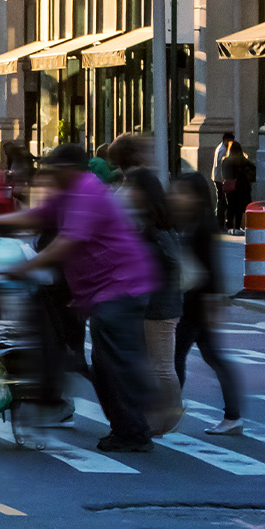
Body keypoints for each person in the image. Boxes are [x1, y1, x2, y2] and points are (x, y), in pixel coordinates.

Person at [0, 143, 158, 452]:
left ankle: (135, 429)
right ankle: (128, 428)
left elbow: (66, 242)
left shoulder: (86, 190)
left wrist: (23, 268)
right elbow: (36, 217)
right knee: (103, 364)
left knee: (111, 362)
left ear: (70, 170)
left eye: (55, 170)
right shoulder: (67, 194)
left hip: (121, 286)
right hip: (104, 290)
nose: (49, 175)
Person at [108, 133, 183, 435]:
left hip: (156, 302)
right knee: (153, 362)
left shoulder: (151, 231)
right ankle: (156, 416)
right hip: (156, 300)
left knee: (161, 364)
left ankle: (167, 419)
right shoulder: (160, 224)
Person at [169, 171, 248, 435]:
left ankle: (169, 410)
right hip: (197, 301)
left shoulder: (203, 224)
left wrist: (215, 301)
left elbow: (212, 266)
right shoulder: (193, 221)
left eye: (181, 192)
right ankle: (232, 415)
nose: (176, 197)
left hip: (196, 303)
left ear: (195, 196)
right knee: (213, 357)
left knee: (176, 356)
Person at [218, 141, 256, 234]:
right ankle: (237, 227)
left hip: (230, 187)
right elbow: (253, 168)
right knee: (239, 208)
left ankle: (229, 226)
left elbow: (224, 175)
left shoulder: (225, 160)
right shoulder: (243, 160)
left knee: (230, 207)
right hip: (242, 187)